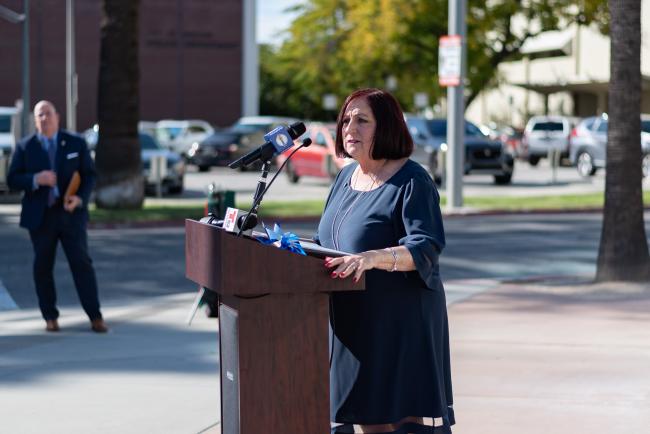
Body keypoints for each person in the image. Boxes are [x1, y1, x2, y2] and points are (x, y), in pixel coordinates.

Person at [318, 88, 454, 433]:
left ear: (387, 127)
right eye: (346, 120)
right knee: (365, 414)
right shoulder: (346, 178)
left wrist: (373, 258)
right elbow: (328, 241)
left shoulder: (412, 181)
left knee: (399, 419)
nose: (350, 128)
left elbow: (425, 248)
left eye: (362, 120)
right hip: (352, 322)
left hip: (399, 321)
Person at [7, 100, 108, 333]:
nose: (44, 118)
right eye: (40, 115)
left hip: (71, 215)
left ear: (57, 117)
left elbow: (89, 175)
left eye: (48, 114)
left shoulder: (75, 143)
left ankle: (95, 317)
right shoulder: (25, 147)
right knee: (42, 267)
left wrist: (80, 198)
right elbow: (12, 179)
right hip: (41, 218)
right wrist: (35, 179)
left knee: (82, 264)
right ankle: (50, 317)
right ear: (35, 120)